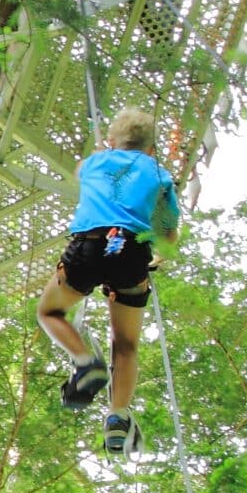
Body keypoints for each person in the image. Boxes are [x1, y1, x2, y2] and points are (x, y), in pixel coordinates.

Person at [37, 107, 181, 455]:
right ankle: (118, 416)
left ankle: (86, 362)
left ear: (113, 140)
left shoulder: (93, 163)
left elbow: (80, 172)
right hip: (131, 253)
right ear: (150, 148)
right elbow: (168, 234)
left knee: (49, 313)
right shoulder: (160, 175)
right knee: (126, 344)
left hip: (90, 245)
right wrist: (157, 255)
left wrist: (107, 151)